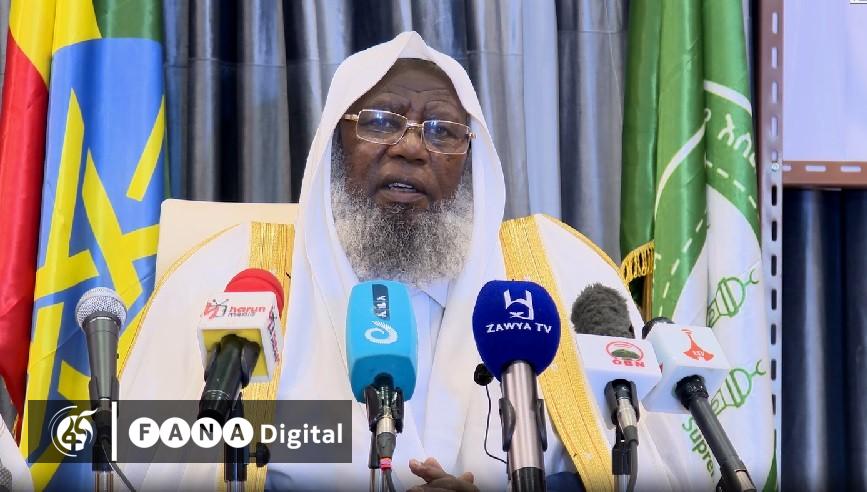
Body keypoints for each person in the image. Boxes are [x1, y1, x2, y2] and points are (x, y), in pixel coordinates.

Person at [120, 32, 685, 491]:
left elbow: (654, 468)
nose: (411, 147)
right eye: (381, 121)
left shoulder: (557, 278)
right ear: (334, 144)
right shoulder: (234, 279)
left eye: (443, 131)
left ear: (472, 164)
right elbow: (139, 461)